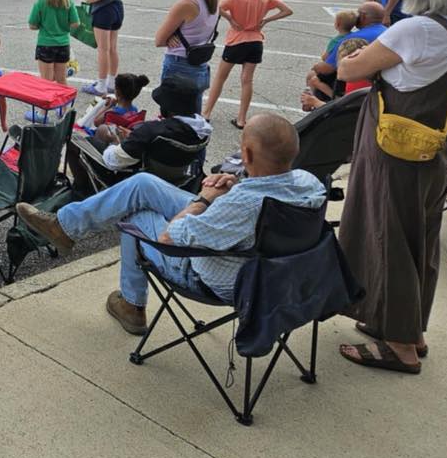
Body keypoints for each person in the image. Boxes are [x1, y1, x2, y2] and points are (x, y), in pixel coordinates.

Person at [18, 114, 325, 335]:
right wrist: (234, 185)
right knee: (143, 185)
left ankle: (131, 304)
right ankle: (64, 226)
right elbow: (250, 205)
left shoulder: (243, 204)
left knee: (133, 217)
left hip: (217, 276)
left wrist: (204, 199)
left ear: (245, 153)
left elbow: (170, 237)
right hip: (272, 270)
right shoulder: (310, 185)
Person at [335, 0, 447, 374]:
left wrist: (352, 50)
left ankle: (400, 347)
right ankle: (409, 328)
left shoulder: (418, 30)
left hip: (395, 147)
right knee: (419, 240)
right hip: (436, 144)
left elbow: (349, 68)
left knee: (386, 237)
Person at [71, 75, 211, 190]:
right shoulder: (203, 131)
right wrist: (133, 136)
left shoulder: (151, 130)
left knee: (76, 141)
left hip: (137, 180)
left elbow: (113, 161)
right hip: (175, 179)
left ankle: (82, 190)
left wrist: (115, 141)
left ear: (167, 106)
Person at [202, 0, 293, 128]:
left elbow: (217, 7)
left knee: (220, 78)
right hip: (256, 41)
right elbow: (287, 10)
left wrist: (230, 18)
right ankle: (241, 119)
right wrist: (266, 20)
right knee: (247, 81)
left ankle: (207, 112)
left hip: (237, 40)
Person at [154, 0, 221, 113]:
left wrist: (169, 38)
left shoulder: (187, 4)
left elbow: (159, 40)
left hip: (180, 64)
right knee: (191, 116)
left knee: (172, 116)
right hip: (199, 65)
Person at [304, 1, 386, 101]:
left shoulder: (353, 38)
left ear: (363, 16)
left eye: (358, 13)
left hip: (355, 81)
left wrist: (316, 67)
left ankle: (317, 107)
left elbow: (327, 68)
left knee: (313, 75)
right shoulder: (388, 31)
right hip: (381, 79)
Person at [28, 0, 80, 87]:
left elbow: (32, 25)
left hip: (45, 44)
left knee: (47, 81)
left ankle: (49, 105)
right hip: (63, 44)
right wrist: (64, 26)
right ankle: (65, 105)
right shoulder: (68, 2)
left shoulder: (41, 3)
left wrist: (43, 25)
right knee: (61, 79)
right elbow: (75, 23)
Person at [87, 72, 149, 137]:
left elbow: (96, 122)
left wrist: (108, 106)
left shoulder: (111, 113)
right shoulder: (135, 110)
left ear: (117, 91)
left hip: (107, 141)